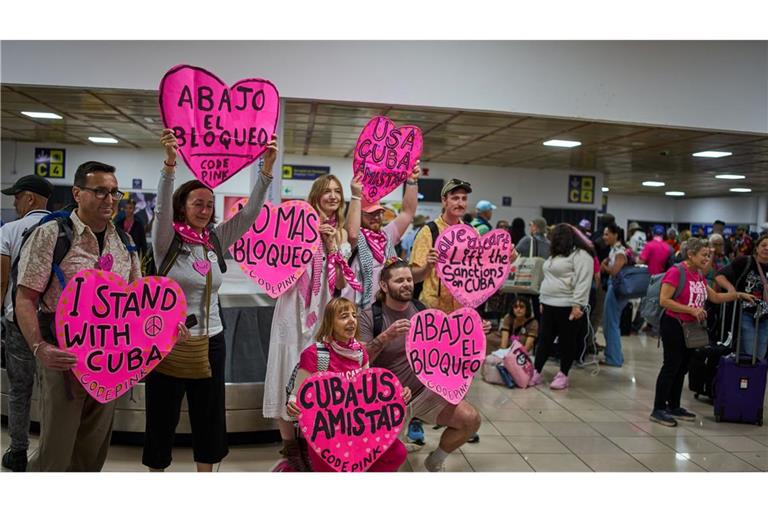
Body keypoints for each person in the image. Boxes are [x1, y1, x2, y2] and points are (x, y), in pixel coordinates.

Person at [142, 130, 275, 472]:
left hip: (212, 339)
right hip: (168, 340)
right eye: (197, 203)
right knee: (162, 417)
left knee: (210, 417)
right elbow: (159, 207)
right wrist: (170, 165)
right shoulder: (166, 240)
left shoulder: (214, 240)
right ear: (182, 207)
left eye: (209, 204)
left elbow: (250, 215)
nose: (204, 210)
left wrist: (266, 170)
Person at [14, 161, 142, 471]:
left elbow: (137, 301)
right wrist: (39, 347)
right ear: (77, 193)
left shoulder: (124, 242)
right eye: (99, 191)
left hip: (109, 359)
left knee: (92, 450)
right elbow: (26, 298)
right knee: (56, 451)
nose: (109, 199)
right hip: (64, 357)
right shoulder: (52, 235)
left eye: (114, 192)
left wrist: (162, 328)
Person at [263, 173, 358, 470]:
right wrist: (306, 237)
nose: (332, 196)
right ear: (316, 194)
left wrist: (331, 248)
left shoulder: (340, 235)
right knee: (287, 362)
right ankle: (290, 445)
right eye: (327, 190)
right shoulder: (297, 225)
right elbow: (275, 264)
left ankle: (311, 441)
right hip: (292, 306)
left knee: (317, 369)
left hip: (323, 307)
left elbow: (341, 283)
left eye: (337, 191)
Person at [359, 258, 484, 471]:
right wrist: (385, 337)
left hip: (425, 393)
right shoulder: (370, 317)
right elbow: (358, 361)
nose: (407, 284)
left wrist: (475, 332)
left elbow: (445, 347)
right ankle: (395, 440)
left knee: (470, 420)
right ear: (384, 286)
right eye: (399, 280)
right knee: (384, 461)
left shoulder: (421, 309)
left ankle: (435, 460)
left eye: (409, 279)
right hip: (388, 400)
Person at [286, 297, 409, 472]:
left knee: (397, 453)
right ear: (330, 322)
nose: (351, 320)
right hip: (325, 435)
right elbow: (295, 396)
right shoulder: (314, 355)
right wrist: (292, 405)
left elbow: (371, 395)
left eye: (353, 315)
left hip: (358, 429)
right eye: (344, 316)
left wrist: (398, 395)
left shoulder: (360, 353)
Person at [650, 237, 749, 427]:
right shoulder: (676, 271)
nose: (707, 259)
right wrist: (691, 310)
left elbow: (716, 297)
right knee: (671, 366)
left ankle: (674, 406)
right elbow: (664, 300)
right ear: (691, 254)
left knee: (683, 367)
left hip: (691, 328)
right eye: (704, 255)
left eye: (708, 255)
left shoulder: (699, 275)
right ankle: (658, 408)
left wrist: (738, 295)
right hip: (674, 324)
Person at [0, 174, 53, 471]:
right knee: (54, 391)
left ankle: (18, 452)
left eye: (17, 197)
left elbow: (2, 278)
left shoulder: (10, 229)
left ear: (30, 198)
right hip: (54, 323)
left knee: (20, 388)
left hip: (19, 320)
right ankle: (51, 450)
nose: (15, 202)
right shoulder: (64, 227)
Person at [344, 163, 420, 309]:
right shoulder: (350, 238)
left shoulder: (386, 234)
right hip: (357, 312)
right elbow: (352, 233)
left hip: (386, 310)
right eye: (370, 214)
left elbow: (407, 213)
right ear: (358, 214)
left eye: (378, 213)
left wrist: (411, 181)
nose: (376, 217)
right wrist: (355, 195)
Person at [530, 223, 594, 390]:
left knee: (567, 342)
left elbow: (583, 281)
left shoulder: (581, 255)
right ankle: (536, 370)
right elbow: (547, 280)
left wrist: (578, 304)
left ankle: (563, 374)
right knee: (544, 340)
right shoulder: (555, 256)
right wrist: (543, 300)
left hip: (568, 305)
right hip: (549, 304)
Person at [715, 234, 768, 361]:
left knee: (760, 355)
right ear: (757, 248)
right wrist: (731, 289)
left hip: (765, 317)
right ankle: (745, 378)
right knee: (749, 353)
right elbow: (719, 276)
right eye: (764, 245)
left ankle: (755, 379)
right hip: (746, 313)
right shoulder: (745, 261)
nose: (766, 248)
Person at [601, 222, 630, 367]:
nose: (604, 237)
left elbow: (615, 271)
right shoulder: (615, 250)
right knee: (611, 323)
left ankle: (614, 358)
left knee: (610, 323)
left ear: (615, 235)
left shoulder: (619, 251)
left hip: (616, 289)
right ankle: (615, 355)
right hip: (615, 288)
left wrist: (604, 266)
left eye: (607, 234)